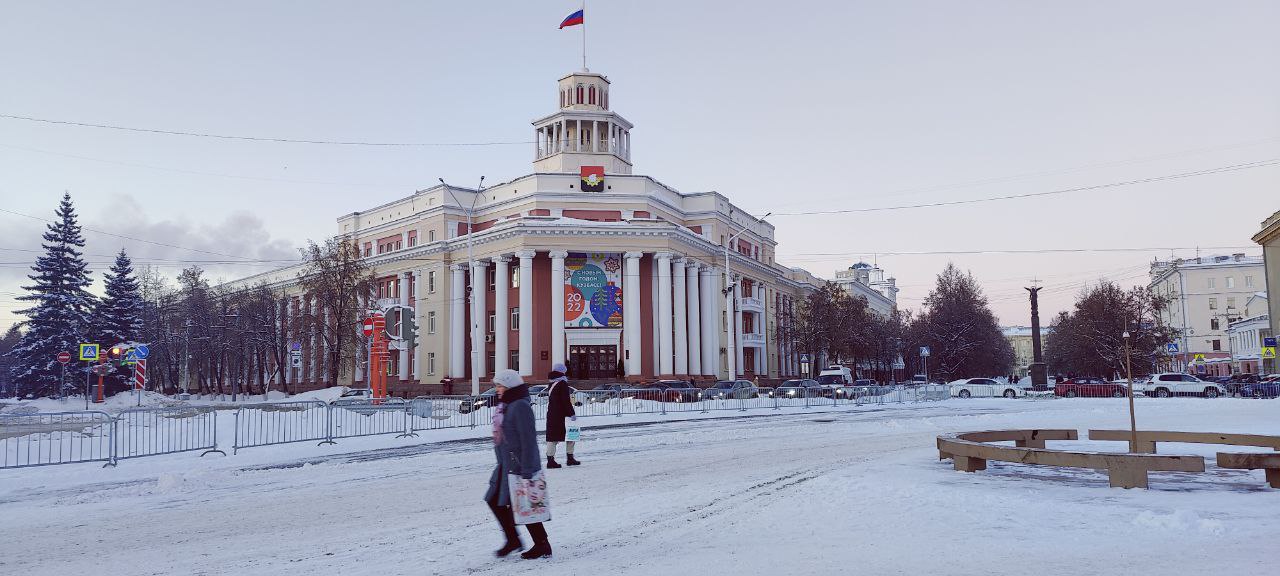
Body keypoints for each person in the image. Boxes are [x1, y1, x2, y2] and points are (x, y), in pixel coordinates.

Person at [484, 369, 552, 560]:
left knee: (526, 504)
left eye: (500, 386)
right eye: (496, 385)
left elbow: (528, 440)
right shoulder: (506, 405)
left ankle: (542, 544)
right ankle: (513, 539)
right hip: (505, 465)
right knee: (495, 501)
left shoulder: (519, 406)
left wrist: (528, 470)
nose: (497, 389)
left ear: (510, 387)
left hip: (520, 465)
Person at [544, 362, 579, 468]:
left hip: (552, 414)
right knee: (571, 434)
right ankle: (570, 458)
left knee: (552, 438)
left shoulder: (551, 383)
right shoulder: (562, 383)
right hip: (562, 415)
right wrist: (571, 413)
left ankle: (550, 459)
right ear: (562, 372)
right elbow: (565, 401)